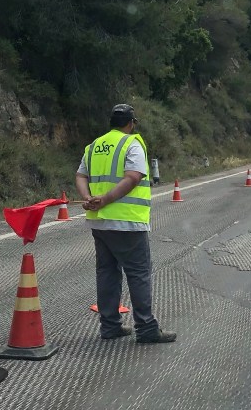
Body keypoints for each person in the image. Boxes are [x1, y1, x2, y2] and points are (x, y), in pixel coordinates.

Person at [75, 104, 176, 344]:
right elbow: (133, 177)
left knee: (107, 272)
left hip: (100, 223)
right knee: (138, 273)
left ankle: (110, 326)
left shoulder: (95, 146)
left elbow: (80, 175)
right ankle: (146, 328)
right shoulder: (132, 144)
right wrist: (106, 199)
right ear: (131, 123)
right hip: (127, 221)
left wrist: (89, 198)